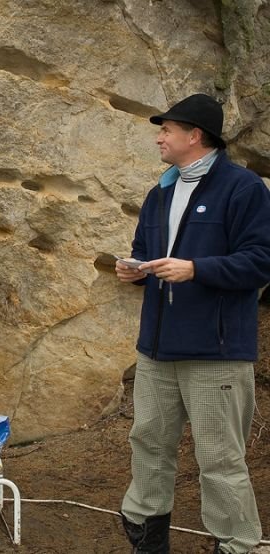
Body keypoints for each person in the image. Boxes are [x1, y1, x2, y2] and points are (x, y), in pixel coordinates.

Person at [116, 93, 270, 553]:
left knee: (220, 458)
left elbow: (261, 261)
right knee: (148, 444)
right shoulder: (160, 192)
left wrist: (196, 269)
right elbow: (146, 253)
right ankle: (147, 538)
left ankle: (238, 545)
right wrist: (135, 270)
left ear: (195, 136)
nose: (159, 138)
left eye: (167, 130)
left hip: (215, 353)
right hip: (156, 351)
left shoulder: (243, 189)